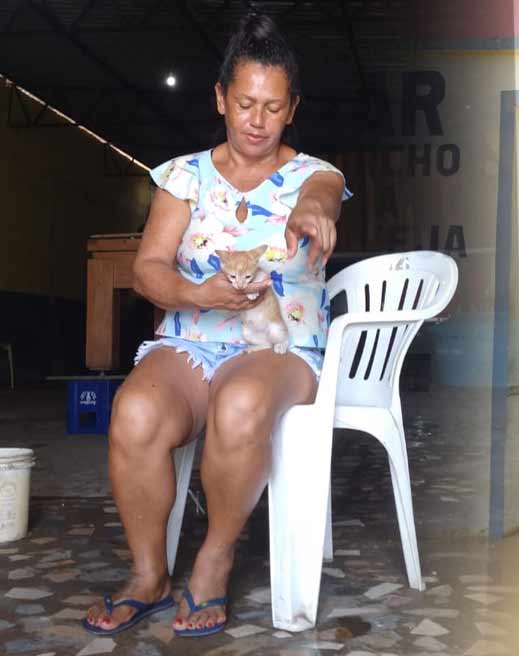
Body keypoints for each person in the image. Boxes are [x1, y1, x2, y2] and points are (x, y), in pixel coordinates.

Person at [84, 13, 350, 637]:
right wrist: (196, 292)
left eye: (273, 107)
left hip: (278, 346)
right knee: (134, 412)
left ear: (292, 110)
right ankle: (148, 575)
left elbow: (322, 195)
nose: (258, 120)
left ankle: (215, 558)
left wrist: (312, 211)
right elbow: (148, 270)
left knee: (239, 403)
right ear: (221, 99)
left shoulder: (315, 174)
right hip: (191, 340)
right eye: (245, 104)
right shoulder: (183, 177)